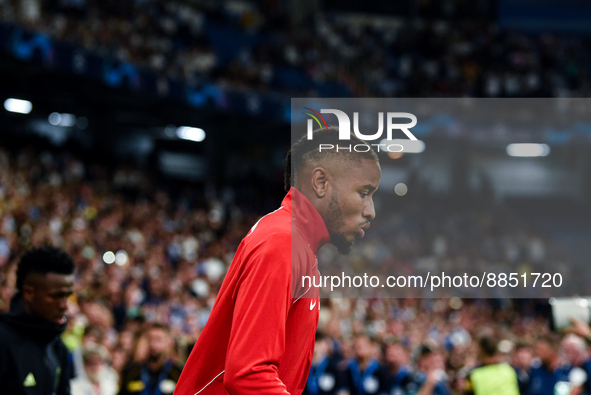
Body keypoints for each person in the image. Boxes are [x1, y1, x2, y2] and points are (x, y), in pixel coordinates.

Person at [174, 127, 381, 395]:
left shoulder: (295, 242)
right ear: (320, 183)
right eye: (364, 192)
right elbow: (248, 374)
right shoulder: (283, 242)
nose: (371, 211)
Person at [0, 245, 75, 395]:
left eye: (67, 295)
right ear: (28, 293)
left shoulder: (57, 347)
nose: (64, 305)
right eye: (56, 296)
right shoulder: (3, 341)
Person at [118, 323, 182, 395]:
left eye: (158, 339)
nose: (153, 344)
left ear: (168, 343)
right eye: (150, 339)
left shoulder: (178, 374)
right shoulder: (131, 372)